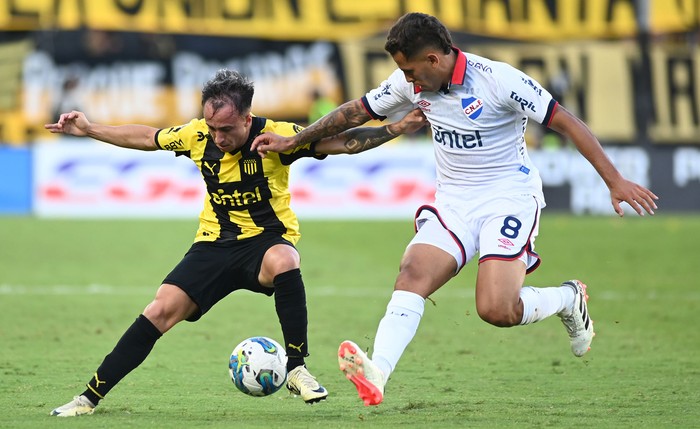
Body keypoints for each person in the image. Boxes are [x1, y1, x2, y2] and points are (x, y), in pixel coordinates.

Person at [251, 13, 659, 406]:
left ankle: (568, 298)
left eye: (411, 72)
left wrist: (614, 180)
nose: (407, 82)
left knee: (496, 310)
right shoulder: (411, 82)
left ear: (433, 59)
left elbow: (565, 121)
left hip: (508, 197)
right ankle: (378, 372)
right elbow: (356, 111)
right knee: (411, 275)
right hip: (454, 201)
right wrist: (296, 140)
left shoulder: (498, 80)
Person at [44, 69, 427, 416]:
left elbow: (341, 143)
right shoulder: (197, 136)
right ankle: (88, 398)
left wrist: (394, 128)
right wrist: (90, 128)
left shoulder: (276, 136)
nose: (218, 137)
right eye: (212, 128)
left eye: (226, 129)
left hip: (265, 241)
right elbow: (147, 137)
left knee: (284, 260)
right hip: (213, 244)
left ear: (247, 118)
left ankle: (296, 369)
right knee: (159, 310)